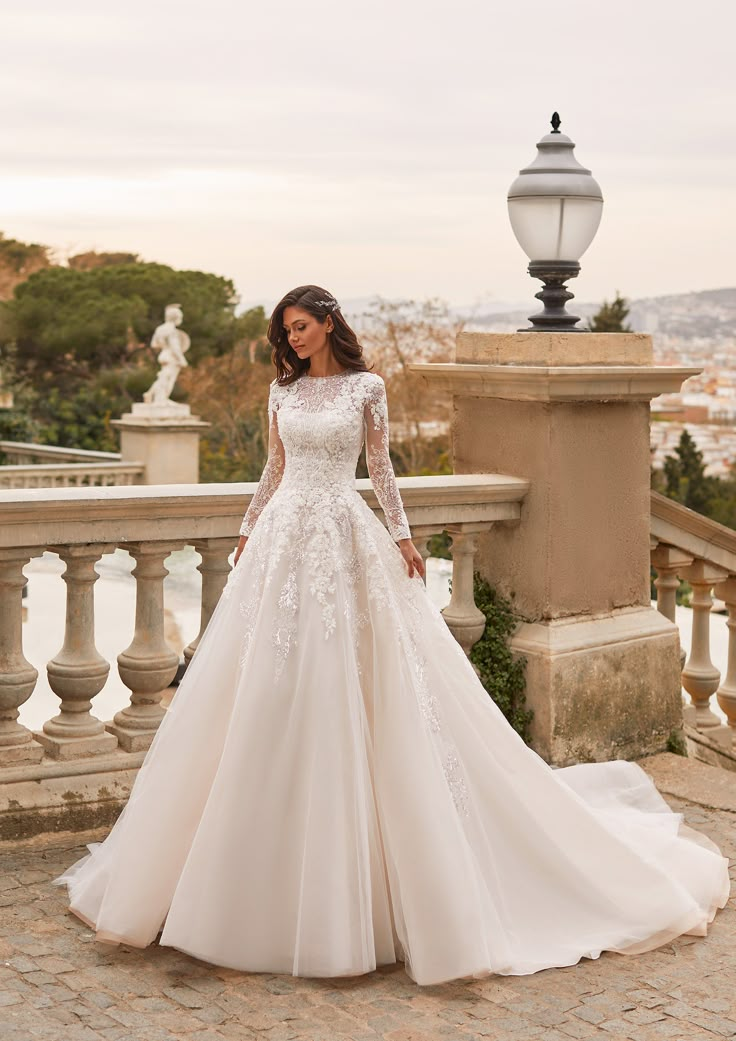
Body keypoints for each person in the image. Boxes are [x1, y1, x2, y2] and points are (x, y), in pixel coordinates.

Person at [53, 284, 730, 987]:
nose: (295, 338)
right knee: (267, 690)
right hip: (285, 539)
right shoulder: (280, 393)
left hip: (343, 537)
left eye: (303, 326)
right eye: (286, 329)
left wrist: (402, 538)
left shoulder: (367, 388)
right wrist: (250, 527)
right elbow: (273, 471)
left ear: (328, 324)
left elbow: (380, 469)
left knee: (355, 685)